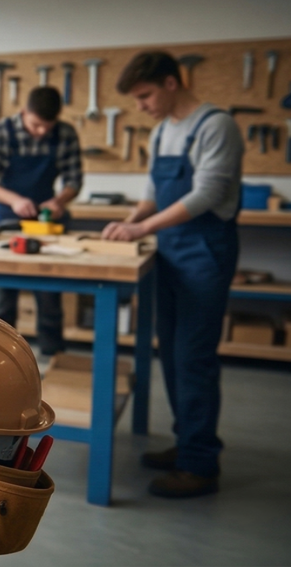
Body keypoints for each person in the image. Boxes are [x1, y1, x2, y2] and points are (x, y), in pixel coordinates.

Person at [104, 50, 243, 498]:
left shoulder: (215, 125)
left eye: (144, 95)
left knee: (194, 358)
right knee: (172, 352)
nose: (141, 106)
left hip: (204, 251)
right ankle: (187, 445)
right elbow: (152, 193)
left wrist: (143, 227)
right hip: (170, 252)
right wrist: (130, 220)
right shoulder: (164, 130)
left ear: (170, 83)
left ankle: (200, 464)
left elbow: (206, 194)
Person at [0, 85, 82, 357]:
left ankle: (53, 356)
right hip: (7, 224)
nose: (41, 132)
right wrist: (14, 200)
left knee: (49, 301)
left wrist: (58, 202)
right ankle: (0, 362)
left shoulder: (65, 134)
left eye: (48, 126)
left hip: (47, 226)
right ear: (24, 113)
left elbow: (74, 181)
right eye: (36, 125)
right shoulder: (1, 133)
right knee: (3, 303)